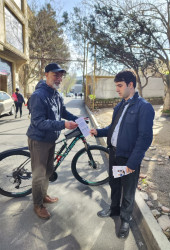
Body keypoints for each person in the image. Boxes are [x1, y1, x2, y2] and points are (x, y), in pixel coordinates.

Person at [90, 70, 155, 239]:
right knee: (115, 185)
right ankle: (114, 210)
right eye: (116, 86)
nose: (117, 89)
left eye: (119, 86)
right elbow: (113, 129)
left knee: (128, 191)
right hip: (114, 154)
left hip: (128, 158)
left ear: (131, 85)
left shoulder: (144, 107)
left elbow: (145, 139)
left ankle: (125, 220)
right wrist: (98, 131)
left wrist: (132, 163)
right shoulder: (120, 105)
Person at [27, 63, 78, 220]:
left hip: (51, 139)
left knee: (49, 171)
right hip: (39, 140)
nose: (59, 78)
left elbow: (63, 111)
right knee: (39, 175)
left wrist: (77, 119)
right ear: (46, 75)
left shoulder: (56, 94)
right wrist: (63, 124)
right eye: (56, 75)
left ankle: (43, 195)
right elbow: (38, 122)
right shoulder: (38, 95)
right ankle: (38, 204)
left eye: (61, 75)